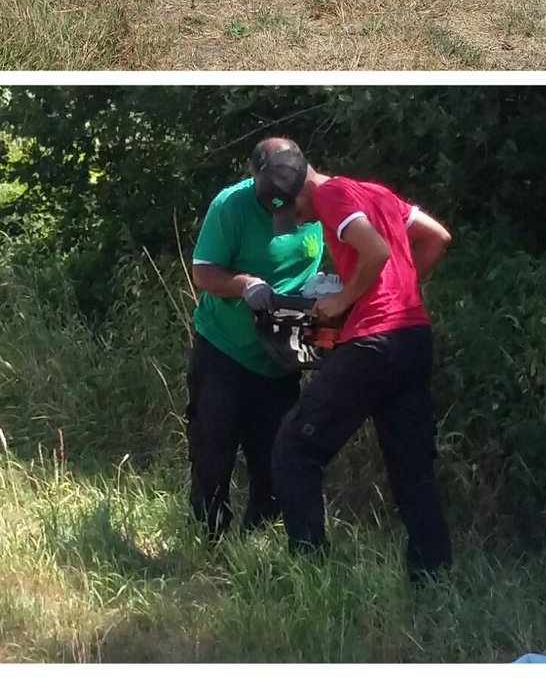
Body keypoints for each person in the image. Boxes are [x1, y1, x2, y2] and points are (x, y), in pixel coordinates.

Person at [261, 137, 454, 580]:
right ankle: (433, 579)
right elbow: (437, 239)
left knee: (294, 448)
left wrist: (346, 298)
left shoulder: (329, 195)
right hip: (412, 336)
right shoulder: (376, 193)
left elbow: (377, 251)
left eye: (296, 212)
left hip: (374, 344)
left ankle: (310, 576)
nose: (301, 221)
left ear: (302, 189)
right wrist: (391, 289)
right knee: (413, 468)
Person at [188, 138, 324, 538]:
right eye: (271, 206)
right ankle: (210, 538)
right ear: (254, 176)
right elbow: (203, 271)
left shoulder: (319, 202)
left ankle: (255, 540)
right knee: (214, 450)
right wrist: (244, 284)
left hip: (281, 356)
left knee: (275, 456)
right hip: (224, 352)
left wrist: (326, 290)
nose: (282, 212)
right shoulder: (230, 206)